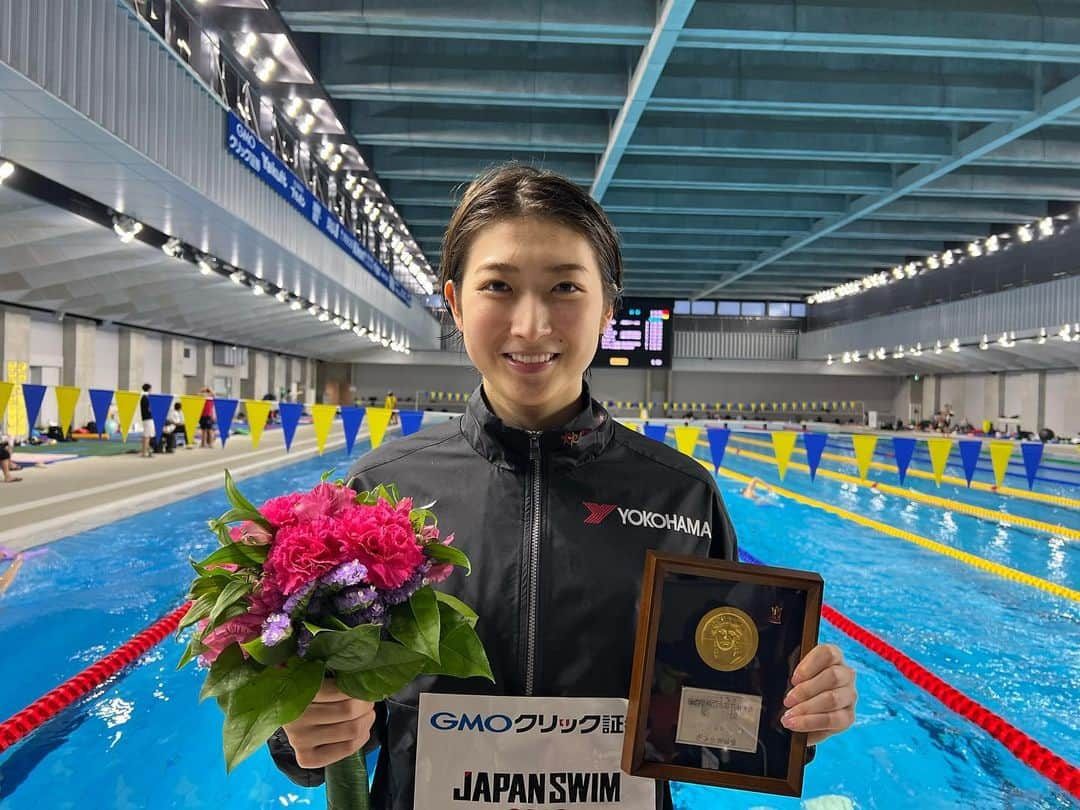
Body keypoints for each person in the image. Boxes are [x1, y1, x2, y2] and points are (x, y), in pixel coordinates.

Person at [268, 166, 856, 809]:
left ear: (607, 308)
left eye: (564, 288)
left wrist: (797, 710)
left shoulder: (680, 497)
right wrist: (300, 724)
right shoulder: (380, 491)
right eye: (498, 286)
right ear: (457, 303)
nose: (530, 325)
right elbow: (326, 708)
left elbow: (720, 714)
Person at [139, 383, 155, 458]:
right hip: (148, 418)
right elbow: (149, 409)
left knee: (146, 435)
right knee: (147, 436)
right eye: (151, 389)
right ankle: (145, 452)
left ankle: (146, 451)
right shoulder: (146, 398)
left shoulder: (144, 397)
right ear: (148, 389)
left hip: (146, 418)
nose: (151, 390)